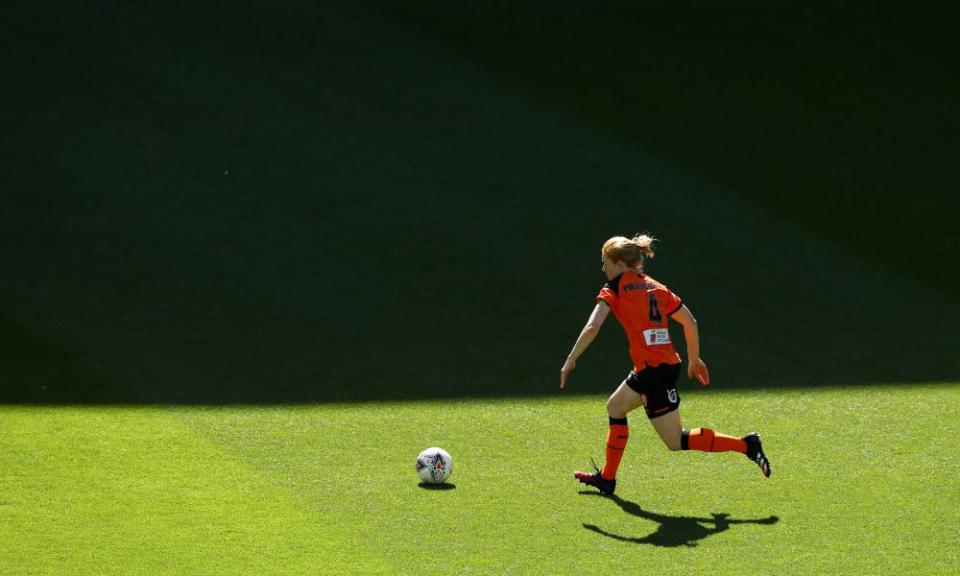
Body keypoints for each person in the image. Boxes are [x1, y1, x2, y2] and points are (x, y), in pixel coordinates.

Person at [560, 234, 771, 495]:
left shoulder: (613, 289)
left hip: (654, 372)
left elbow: (592, 326)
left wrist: (571, 360)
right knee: (615, 407)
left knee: (675, 440)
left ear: (619, 263)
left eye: (605, 262)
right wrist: (693, 360)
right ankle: (607, 479)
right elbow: (690, 322)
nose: (603, 269)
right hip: (658, 365)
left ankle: (747, 445)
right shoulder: (656, 287)